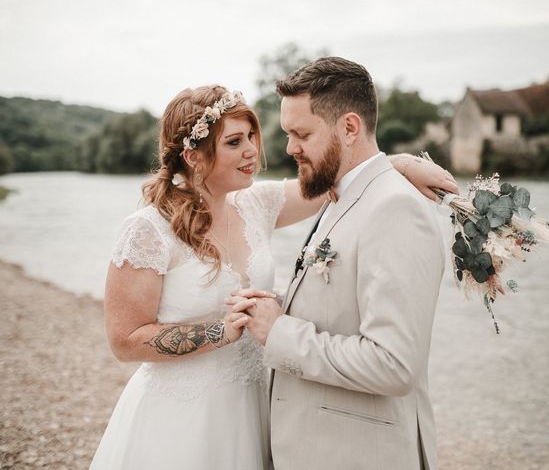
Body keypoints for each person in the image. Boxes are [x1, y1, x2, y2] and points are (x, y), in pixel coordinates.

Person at [90, 84, 457, 469]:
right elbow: (124, 340)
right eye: (233, 142)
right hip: (183, 415)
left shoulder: (257, 204)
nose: (252, 150)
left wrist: (400, 164)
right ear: (193, 156)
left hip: (258, 406)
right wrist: (219, 332)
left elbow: (343, 172)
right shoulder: (147, 230)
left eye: (251, 135)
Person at [230, 57, 445, 470]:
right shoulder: (337, 194)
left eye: (301, 134)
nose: (289, 147)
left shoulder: (396, 208)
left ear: (349, 128)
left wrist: (279, 332)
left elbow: (394, 365)